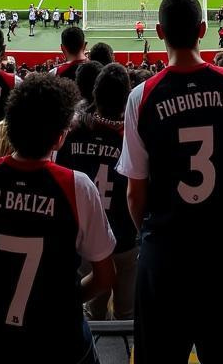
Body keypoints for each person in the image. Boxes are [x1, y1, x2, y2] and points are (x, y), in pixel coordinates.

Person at [118, 0, 223, 364]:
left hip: (165, 255)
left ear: (158, 32)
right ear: (203, 29)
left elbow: (135, 195)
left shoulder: (142, 95)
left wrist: (151, 234)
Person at [0, 74, 116, 364]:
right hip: (61, 340)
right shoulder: (77, 187)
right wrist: (66, 302)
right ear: (60, 136)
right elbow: (104, 277)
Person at [58, 63, 138, 320]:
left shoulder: (72, 134)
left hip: (86, 240)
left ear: (95, 93)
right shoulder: (133, 138)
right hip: (125, 238)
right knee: (128, 315)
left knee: (92, 314)